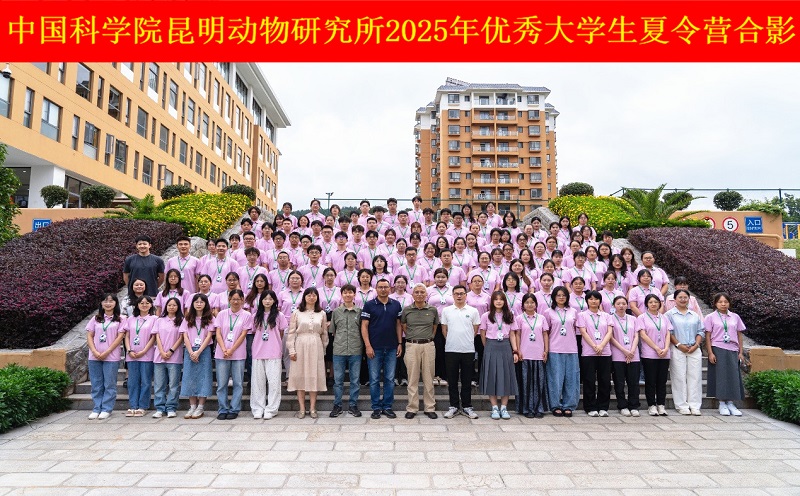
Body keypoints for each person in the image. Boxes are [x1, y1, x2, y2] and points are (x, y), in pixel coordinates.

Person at [360, 279, 403, 419]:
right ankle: (376, 407)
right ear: (376, 289)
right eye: (380, 287)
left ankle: (387, 406)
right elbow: (364, 326)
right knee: (374, 379)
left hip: (391, 347)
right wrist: (367, 345)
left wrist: (400, 343)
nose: (383, 289)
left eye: (385, 287)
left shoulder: (396, 304)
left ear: (390, 289)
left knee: (390, 379)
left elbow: (398, 324)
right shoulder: (369, 305)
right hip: (374, 347)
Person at [287, 287, 329, 419]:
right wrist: (291, 349)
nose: (311, 297)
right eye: (309, 295)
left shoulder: (321, 313)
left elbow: (324, 333)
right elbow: (291, 333)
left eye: (314, 295)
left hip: (316, 344)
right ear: (304, 297)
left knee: (313, 375)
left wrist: (323, 349)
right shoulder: (297, 313)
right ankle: (301, 408)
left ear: (317, 297)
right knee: (300, 375)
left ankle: (312, 408)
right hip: (300, 344)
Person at [441, 285, 481, 419]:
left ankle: (467, 406)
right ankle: (453, 406)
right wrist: (453, 340)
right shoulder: (446, 311)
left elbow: (475, 330)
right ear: (452, 295)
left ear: (466, 295)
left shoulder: (473, 311)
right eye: (456, 293)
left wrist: (466, 340)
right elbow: (444, 330)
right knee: (452, 380)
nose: (459, 296)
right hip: (451, 349)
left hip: (468, 350)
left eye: (462, 293)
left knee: (466, 380)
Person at [401, 284, 440, 419]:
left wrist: (428, 338)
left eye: (422, 292)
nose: (419, 294)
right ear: (412, 295)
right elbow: (404, 326)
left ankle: (429, 407)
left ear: (426, 294)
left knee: (429, 378)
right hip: (412, 345)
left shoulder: (432, 310)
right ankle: (412, 408)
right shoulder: (407, 310)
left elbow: (434, 327)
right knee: (412, 378)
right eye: (416, 292)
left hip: (428, 345)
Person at [704, 293, 747, 417]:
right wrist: (710, 352)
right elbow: (708, 336)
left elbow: (739, 335)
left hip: (733, 349)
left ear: (729, 303)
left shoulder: (735, 317)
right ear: (715, 304)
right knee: (721, 376)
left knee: (733, 376)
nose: (723, 304)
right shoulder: (710, 317)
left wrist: (740, 352)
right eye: (720, 302)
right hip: (718, 348)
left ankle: (731, 403)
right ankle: (722, 403)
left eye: (726, 302)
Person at [479, 291, 520, 420]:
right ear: (492, 301)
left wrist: (515, 350)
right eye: (496, 299)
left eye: (501, 299)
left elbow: (512, 334)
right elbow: (483, 333)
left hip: (505, 346)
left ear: (504, 301)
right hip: (491, 346)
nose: (498, 301)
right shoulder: (486, 316)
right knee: (491, 376)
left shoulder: (510, 315)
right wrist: (487, 347)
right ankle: (494, 407)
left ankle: (504, 407)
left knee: (506, 376)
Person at [86, 294, 126, 420]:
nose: (108, 303)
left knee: (109, 384)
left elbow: (119, 338)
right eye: (105, 301)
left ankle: (106, 408)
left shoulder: (121, 319)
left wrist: (107, 352)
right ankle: (96, 408)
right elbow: (89, 336)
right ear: (101, 304)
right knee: (96, 384)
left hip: (111, 357)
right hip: (94, 356)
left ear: (116, 303)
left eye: (111, 301)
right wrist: (94, 351)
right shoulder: (95, 319)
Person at [215, 290, 253, 420]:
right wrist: (224, 348)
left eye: (238, 299)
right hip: (222, 353)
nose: (236, 301)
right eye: (233, 299)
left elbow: (243, 335)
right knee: (221, 384)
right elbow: (218, 333)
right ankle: (223, 408)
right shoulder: (221, 314)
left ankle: (234, 408)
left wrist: (232, 350)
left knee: (238, 383)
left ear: (243, 300)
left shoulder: (247, 315)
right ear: (229, 300)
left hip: (238, 354)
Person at [666, 289, 705, 416]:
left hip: (694, 349)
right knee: (679, 377)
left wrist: (696, 345)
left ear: (689, 299)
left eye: (685, 297)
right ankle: (681, 405)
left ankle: (695, 405)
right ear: (675, 299)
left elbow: (701, 331)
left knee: (695, 377)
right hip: (678, 348)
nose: (683, 300)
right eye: (680, 297)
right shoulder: (669, 315)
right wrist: (678, 345)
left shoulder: (694, 315)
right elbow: (669, 333)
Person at [251, 290, 288, 419]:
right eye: (265, 299)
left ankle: (271, 409)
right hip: (258, 351)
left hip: (273, 351)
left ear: (274, 301)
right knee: (258, 382)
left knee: (274, 383)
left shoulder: (279, 315)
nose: (267, 301)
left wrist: (275, 344)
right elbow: (254, 331)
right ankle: (258, 408)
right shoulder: (256, 315)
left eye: (270, 299)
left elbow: (281, 332)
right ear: (261, 301)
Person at [576, 291, 614, 417]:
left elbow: (609, 332)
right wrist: (594, 346)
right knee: (589, 380)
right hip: (588, 352)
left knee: (605, 380)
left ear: (600, 301)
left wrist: (601, 346)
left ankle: (603, 407)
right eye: (591, 299)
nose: (593, 301)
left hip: (605, 352)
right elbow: (583, 332)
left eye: (596, 299)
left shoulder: (606, 316)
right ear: (587, 301)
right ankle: (590, 407)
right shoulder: (582, 315)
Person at [329, 284, 363, 418]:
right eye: (345, 292)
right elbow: (333, 331)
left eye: (350, 292)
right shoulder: (336, 312)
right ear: (341, 295)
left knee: (355, 380)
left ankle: (353, 405)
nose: (348, 295)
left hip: (355, 350)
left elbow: (362, 330)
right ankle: (337, 405)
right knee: (338, 381)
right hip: (339, 350)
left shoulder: (360, 312)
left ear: (355, 294)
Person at [545, 286, 580, 417]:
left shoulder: (573, 311)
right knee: (555, 379)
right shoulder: (548, 312)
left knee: (571, 378)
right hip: (555, 348)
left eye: (564, 295)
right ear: (554, 297)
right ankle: (555, 405)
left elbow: (576, 329)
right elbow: (546, 331)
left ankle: (569, 405)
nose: (561, 297)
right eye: (558, 295)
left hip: (571, 348)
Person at [637, 294, 673, 416]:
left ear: (659, 304)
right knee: (650, 381)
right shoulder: (642, 318)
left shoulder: (664, 317)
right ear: (646, 304)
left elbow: (668, 334)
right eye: (651, 302)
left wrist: (666, 348)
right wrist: (656, 348)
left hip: (664, 353)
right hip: (649, 354)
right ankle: (651, 405)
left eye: (656, 302)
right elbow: (643, 335)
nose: (653, 304)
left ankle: (661, 405)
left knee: (662, 381)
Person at [179, 294, 214, 419]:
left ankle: (200, 407)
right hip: (190, 350)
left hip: (203, 350)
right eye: (196, 302)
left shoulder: (210, 318)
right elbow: (185, 335)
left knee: (204, 377)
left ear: (206, 304)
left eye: (201, 302)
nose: (199, 304)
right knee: (190, 377)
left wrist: (198, 352)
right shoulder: (187, 318)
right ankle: (192, 406)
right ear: (192, 304)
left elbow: (209, 336)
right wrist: (191, 352)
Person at [515, 294, 549, 419]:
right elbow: (517, 335)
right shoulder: (519, 318)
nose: (530, 305)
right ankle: (526, 408)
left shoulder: (541, 318)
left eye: (532, 302)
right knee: (526, 383)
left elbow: (545, 334)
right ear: (523, 305)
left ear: (536, 304)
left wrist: (546, 350)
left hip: (539, 353)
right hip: (525, 354)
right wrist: (518, 350)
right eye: (527, 302)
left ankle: (539, 408)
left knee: (539, 382)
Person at [151, 297, 184, 418]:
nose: (171, 307)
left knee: (173, 385)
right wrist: (161, 351)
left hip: (175, 357)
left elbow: (181, 337)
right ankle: (160, 408)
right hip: (159, 356)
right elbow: (157, 336)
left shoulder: (181, 321)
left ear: (178, 307)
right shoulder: (159, 320)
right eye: (169, 305)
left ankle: (171, 407)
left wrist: (171, 351)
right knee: (159, 384)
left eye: (174, 305)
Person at [124, 295, 157, 417]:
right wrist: (129, 350)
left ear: (151, 305)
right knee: (132, 381)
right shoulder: (131, 319)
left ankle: (143, 406)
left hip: (147, 355)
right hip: (132, 355)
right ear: (137, 305)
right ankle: (133, 405)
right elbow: (127, 336)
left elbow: (153, 337)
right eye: (141, 303)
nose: (144, 305)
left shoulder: (154, 319)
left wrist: (144, 351)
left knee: (146, 381)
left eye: (147, 303)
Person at [609, 296, 641, 417]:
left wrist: (631, 351)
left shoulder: (633, 319)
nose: (621, 306)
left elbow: (636, 336)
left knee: (634, 382)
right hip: (618, 354)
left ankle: (634, 405)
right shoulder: (610, 318)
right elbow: (611, 337)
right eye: (618, 303)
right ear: (614, 305)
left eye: (623, 303)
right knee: (619, 382)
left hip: (633, 354)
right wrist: (624, 350)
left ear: (627, 305)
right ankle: (622, 405)